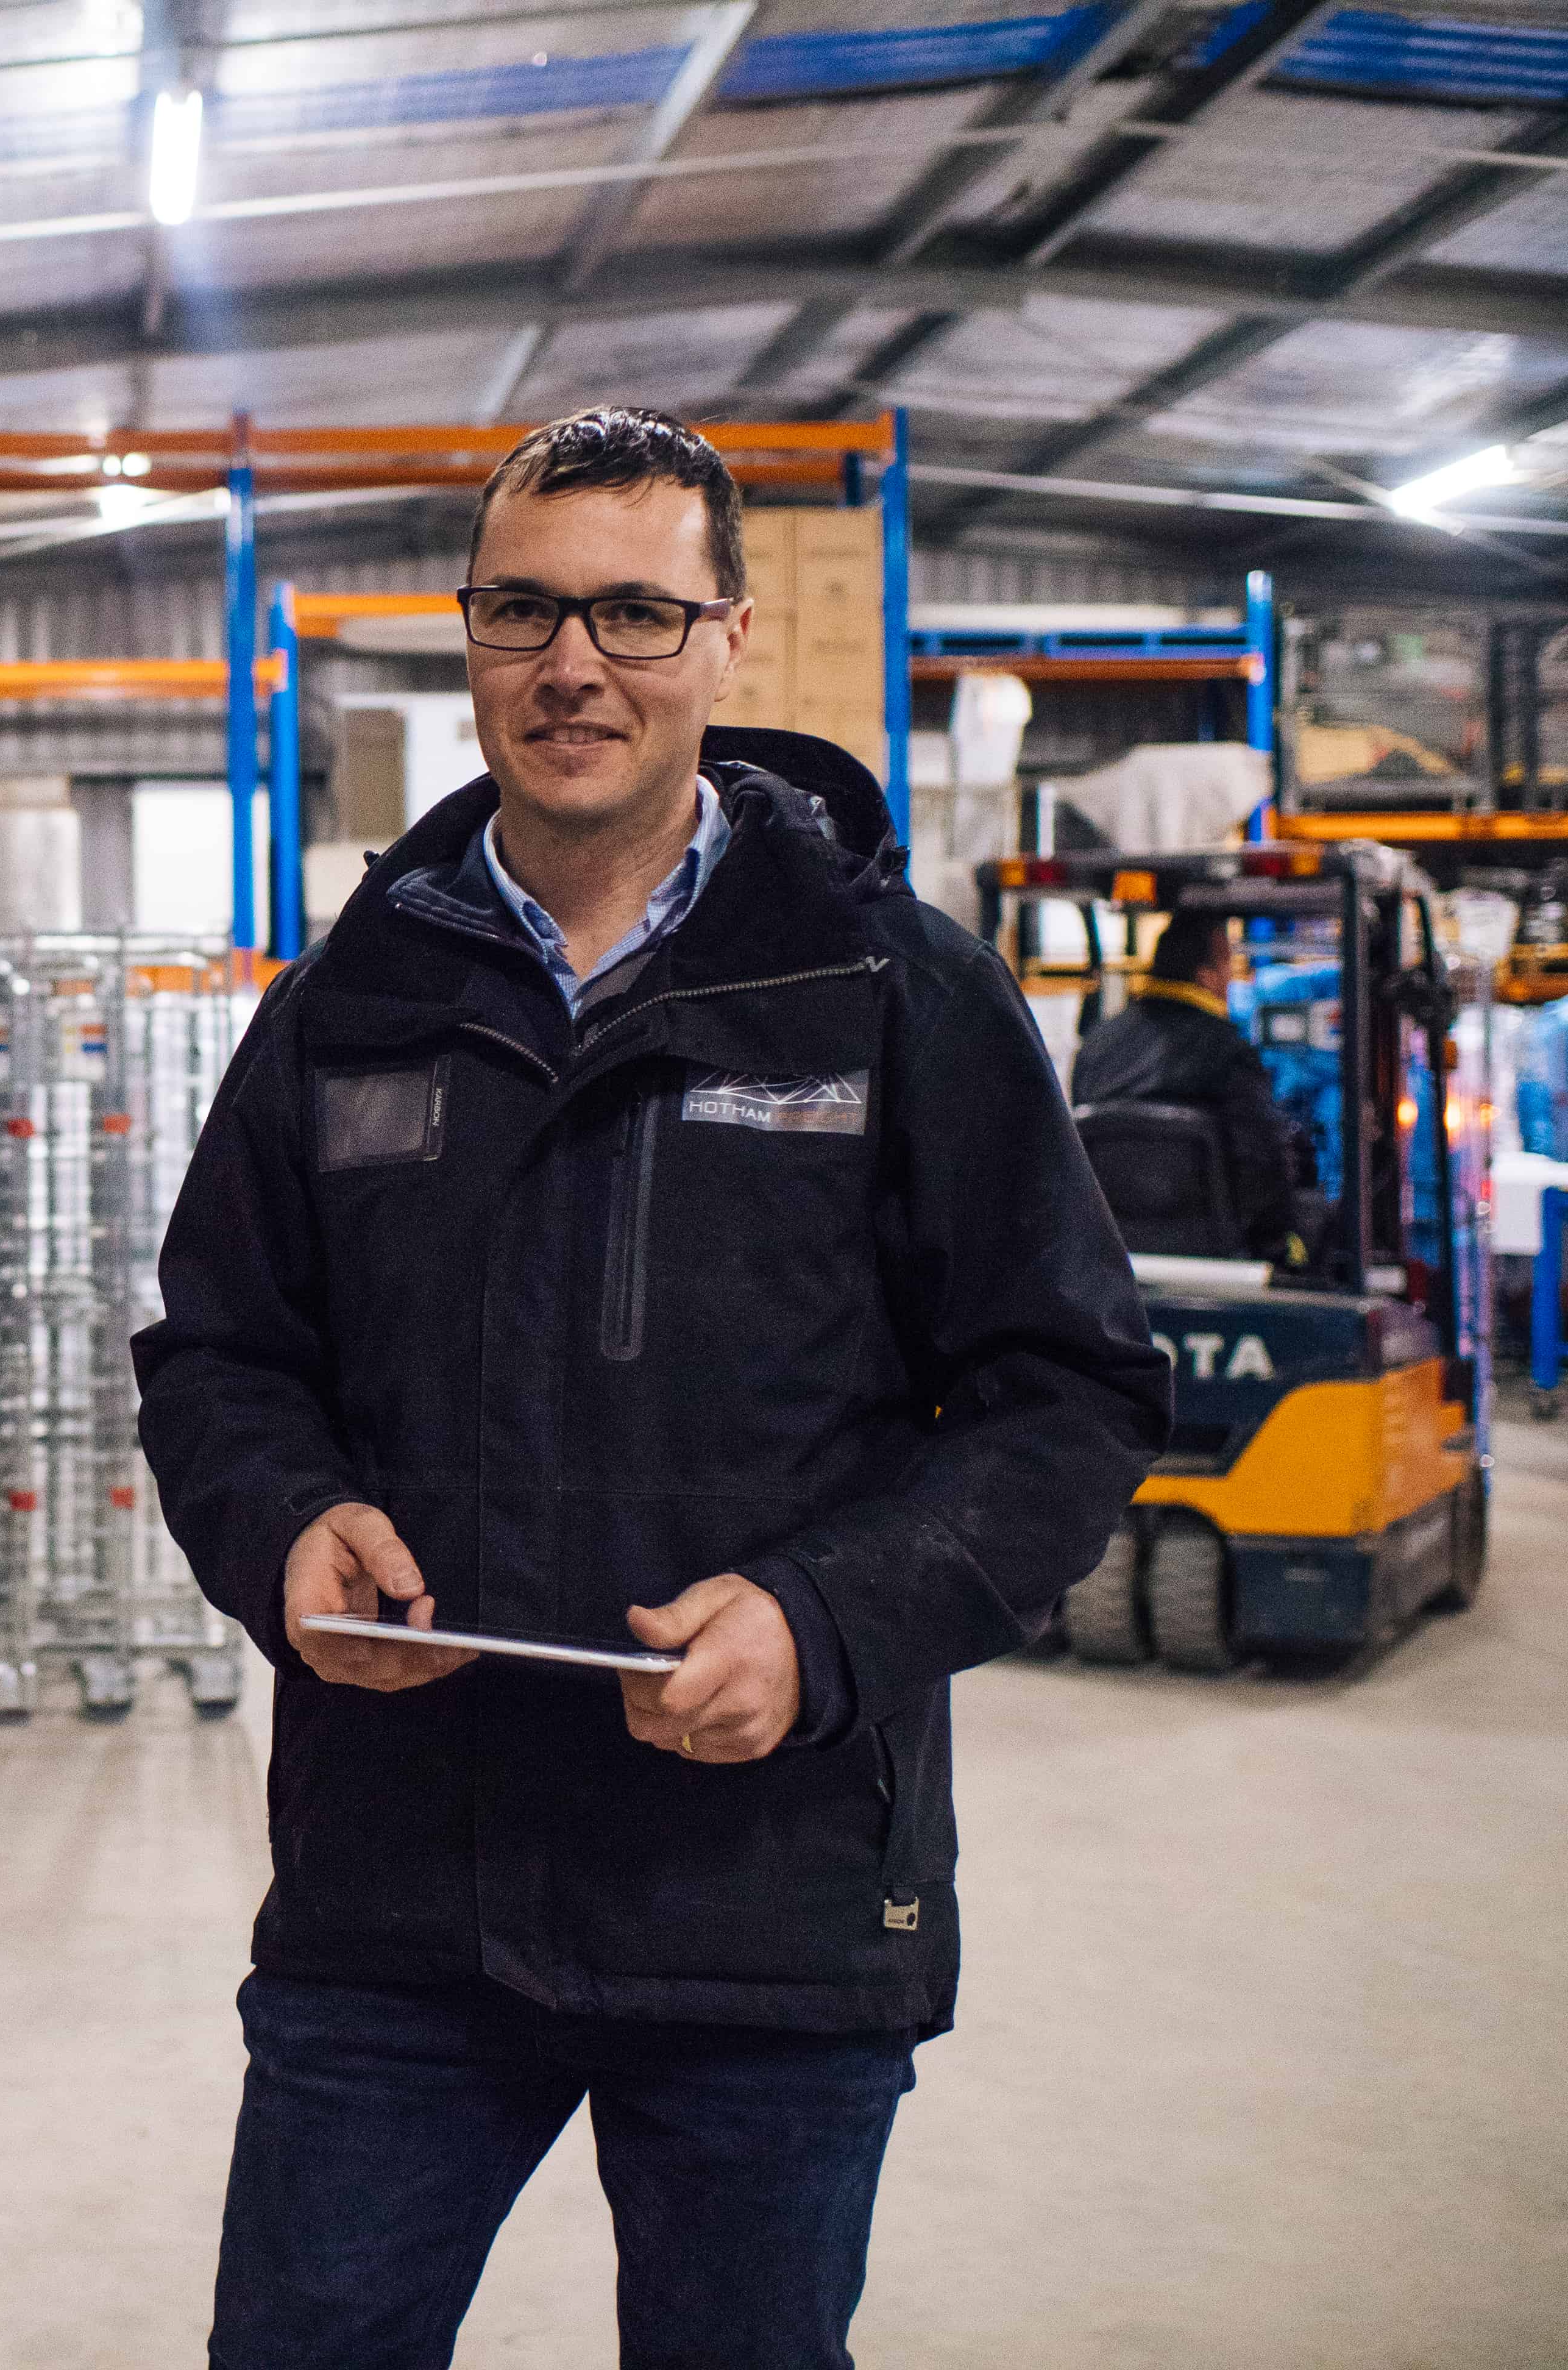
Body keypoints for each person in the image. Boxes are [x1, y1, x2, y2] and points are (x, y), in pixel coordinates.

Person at [133, 407, 1170, 2370]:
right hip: (401, 1893)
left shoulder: (891, 997)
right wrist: (285, 1528)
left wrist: (828, 1617)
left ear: (726, 641)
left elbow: (1068, 1391)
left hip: (762, 1896)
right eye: (522, 610)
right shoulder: (353, 1004)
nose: (572, 665)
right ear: (469, 638)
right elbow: (221, 1355)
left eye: (630, 611)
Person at [1070, 909, 1302, 1261]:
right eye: (1227, 966)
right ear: (1205, 975)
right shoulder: (1227, 1050)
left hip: (1111, 1255)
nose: (1230, 981)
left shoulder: (1097, 1046)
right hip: (1217, 1263)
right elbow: (1261, 1165)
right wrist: (1281, 1246)